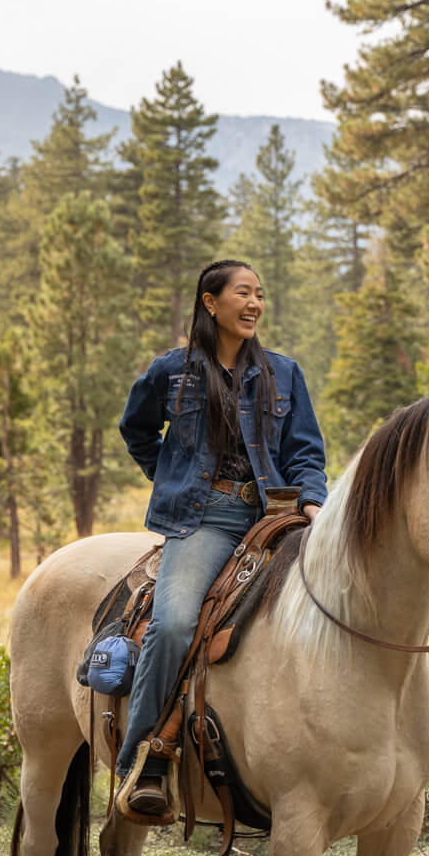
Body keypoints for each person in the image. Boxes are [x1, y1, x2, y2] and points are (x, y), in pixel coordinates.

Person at [115, 259, 328, 816]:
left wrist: (311, 501)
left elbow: (305, 451)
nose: (255, 303)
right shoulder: (170, 372)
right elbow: (135, 430)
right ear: (211, 303)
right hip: (204, 520)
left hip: (274, 517)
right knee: (175, 624)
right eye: (243, 293)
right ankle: (143, 761)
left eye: (260, 293)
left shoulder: (284, 373)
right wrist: (171, 476)